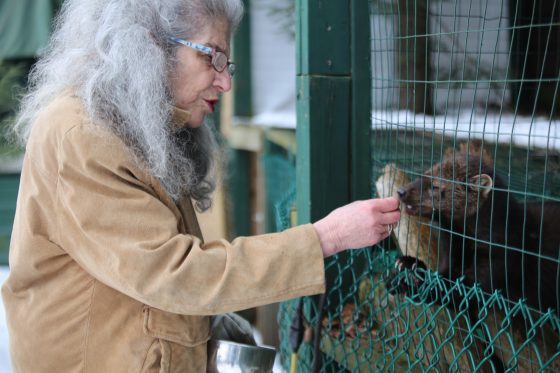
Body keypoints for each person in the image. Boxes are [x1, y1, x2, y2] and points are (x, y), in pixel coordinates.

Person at [1, 0, 401, 371]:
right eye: (212, 57)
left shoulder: (134, 123)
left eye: (228, 64)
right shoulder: (83, 135)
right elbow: (174, 273)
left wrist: (205, 323)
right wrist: (325, 237)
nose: (225, 83)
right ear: (150, 44)